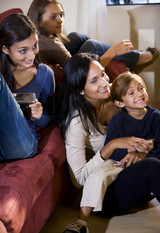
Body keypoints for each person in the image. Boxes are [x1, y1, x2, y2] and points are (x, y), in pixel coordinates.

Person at [58, 53, 160, 233]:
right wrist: (111, 146)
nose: (105, 82)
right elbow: (78, 179)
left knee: (152, 162)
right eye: (94, 80)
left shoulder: (116, 95)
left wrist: (143, 153)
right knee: (153, 167)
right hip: (104, 193)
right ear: (81, 89)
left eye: (103, 74)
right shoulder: (76, 123)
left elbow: (147, 119)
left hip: (135, 177)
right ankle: (81, 223)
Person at [27, 0, 158, 73]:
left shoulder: (41, 37)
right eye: (53, 17)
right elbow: (79, 73)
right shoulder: (50, 43)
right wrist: (113, 52)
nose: (60, 20)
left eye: (61, 15)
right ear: (38, 21)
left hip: (56, 60)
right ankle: (138, 58)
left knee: (75, 36)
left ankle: (134, 58)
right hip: (72, 73)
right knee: (91, 46)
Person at [0, 9, 55, 161]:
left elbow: (51, 117)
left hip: (22, 144)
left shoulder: (44, 74)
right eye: (23, 50)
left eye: (35, 46)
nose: (31, 55)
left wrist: (38, 116)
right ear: (5, 49)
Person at [104, 71, 160, 165]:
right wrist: (129, 151)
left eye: (141, 88)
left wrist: (144, 156)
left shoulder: (156, 116)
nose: (139, 94)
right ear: (120, 103)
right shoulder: (117, 121)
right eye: (131, 93)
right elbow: (110, 151)